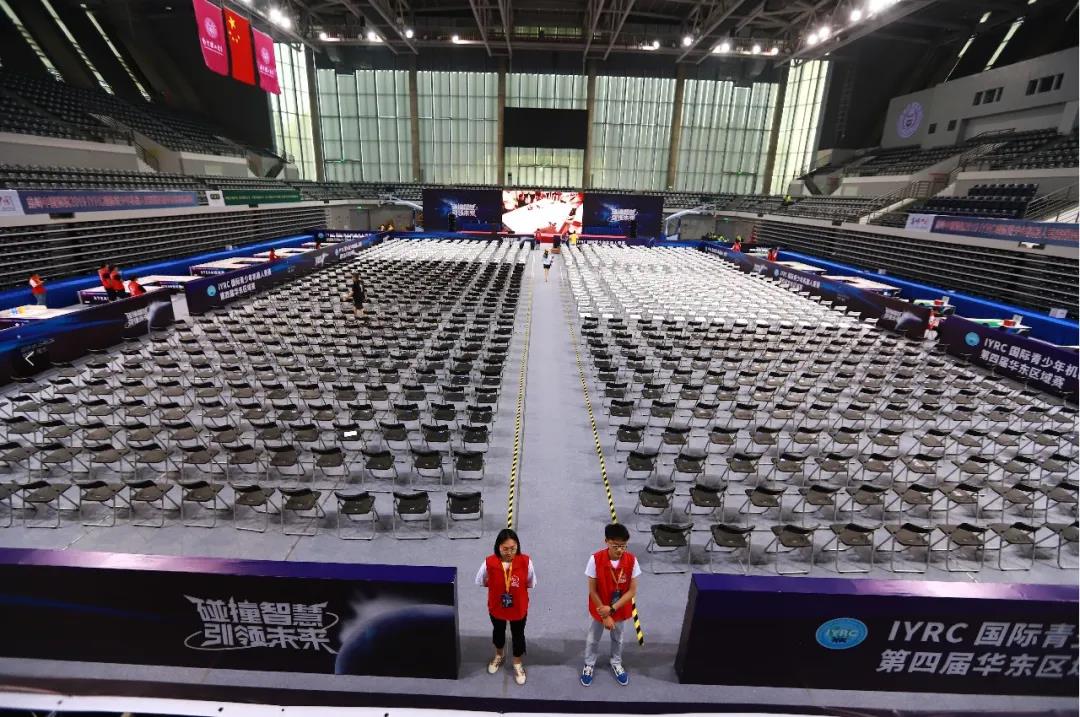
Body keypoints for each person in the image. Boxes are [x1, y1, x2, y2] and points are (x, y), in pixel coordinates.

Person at [581, 523, 639, 687]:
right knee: (593, 639)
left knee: (618, 638)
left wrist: (612, 609)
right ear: (606, 541)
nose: (620, 550)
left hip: (619, 608)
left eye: (623, 546)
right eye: (615, 546)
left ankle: (616, 662)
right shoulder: (595, 559)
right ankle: (589, 664)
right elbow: (593, 591)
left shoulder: (632, 560)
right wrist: (605, 615)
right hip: (599, 608)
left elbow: (632, 591)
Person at [476, 528, 535, 686]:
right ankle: (499, 655)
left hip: (518, 608)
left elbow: (530, 582)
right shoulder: (489, 562)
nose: (509, 552)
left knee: (518, 635)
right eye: (505, 548)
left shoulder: (526, 562)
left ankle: (517, 663)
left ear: (518, 546)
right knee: (498, 631)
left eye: (513, 548)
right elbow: (481, 580)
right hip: (497, 607)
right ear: (498, 547)